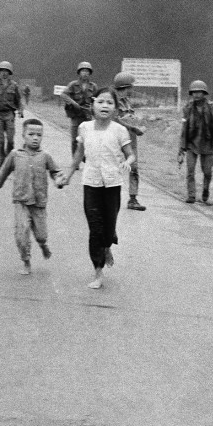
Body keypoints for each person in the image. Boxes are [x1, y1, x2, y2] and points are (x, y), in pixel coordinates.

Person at [57, 87, 136, 290]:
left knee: (108, 228)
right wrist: (68, 175)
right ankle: (98, 271)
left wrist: (128, 161)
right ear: (93, 105)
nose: (105, 106)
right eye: (101, 101)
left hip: (112, 184)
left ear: (115, 108)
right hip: (91, 183)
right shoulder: (85, 128)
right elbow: (78, 155)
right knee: (95, 228)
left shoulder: (120, 130)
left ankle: (108, 245)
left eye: (110, 103)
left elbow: (131, 154)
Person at [0, 118, 63, 275]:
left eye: (39, 135)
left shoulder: (45, 156)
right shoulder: (15, 155)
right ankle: (26, 261)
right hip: (21, 201)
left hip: (39, 202)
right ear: (23, 135)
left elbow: (55, 172)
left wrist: (59, 180)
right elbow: (3, 173)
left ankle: (42, 245)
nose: (35, 138)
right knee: (22, 234)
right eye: (31, 134)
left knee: (41, 235)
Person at [177, 80, 213, 205]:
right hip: (192, 143)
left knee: (207, 171)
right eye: (194, 92)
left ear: (204, 93)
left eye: (199, 92)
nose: (196, 95)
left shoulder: (212, 108)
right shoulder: (188, 109)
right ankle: (191, 195)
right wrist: (181, 148)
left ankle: (205, 192)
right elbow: (183, 129)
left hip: (207, 144)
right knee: (190, 170)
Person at [111, 71, 148, 211]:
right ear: (125, 86)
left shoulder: (127, 101)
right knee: (114, 168)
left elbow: (129, 117)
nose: (132, 89)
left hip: (130, 140)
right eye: (130, 87)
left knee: (134, 168)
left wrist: (138, 127)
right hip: (117, 139)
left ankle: (133, 199)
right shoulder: (113, 101)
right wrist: (133, 127)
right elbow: (115, 120)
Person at [0, 60, 23, 170]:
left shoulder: (14, 86)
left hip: (9, 115)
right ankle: (2, 162)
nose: (4, 73)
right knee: (1, 141)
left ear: (10, 73)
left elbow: (19, 100)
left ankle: (9, 162)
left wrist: (20, 110)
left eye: (6, 71)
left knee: (10, 140)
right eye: (2, 71)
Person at [59, 61, 98, 158]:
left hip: (87, 116)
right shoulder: (73, 85)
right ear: (79, 72)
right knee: (74, 139)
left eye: (87, 71)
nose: (85, 73)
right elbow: (63, 94)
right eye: (83, 71)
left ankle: (85, 157)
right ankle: (75, 160)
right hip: (76, 115)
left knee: (87, 138)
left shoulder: (93, 86)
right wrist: (73, 103)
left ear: (90, 73)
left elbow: (97, 100)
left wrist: (93, 108)